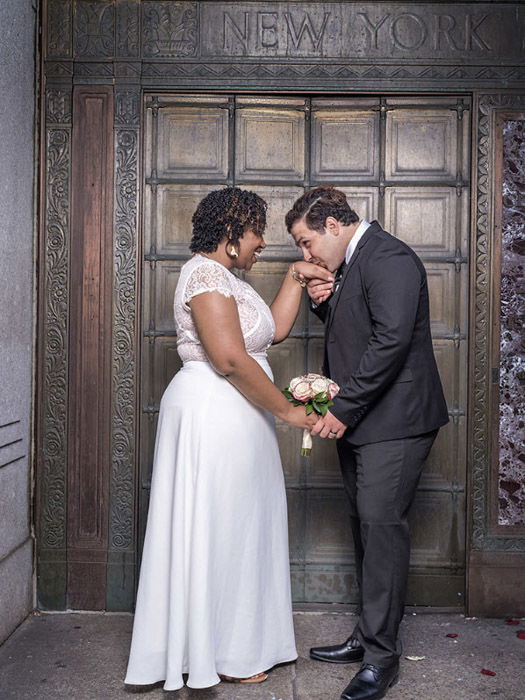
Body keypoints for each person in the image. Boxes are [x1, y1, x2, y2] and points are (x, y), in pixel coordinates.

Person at [125, 186, 332, 691]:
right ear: (232, 232)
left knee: (242, 526)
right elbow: (230, 359)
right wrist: (289, 411)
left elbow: (272, 332)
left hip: (242, 417)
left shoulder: (229, 279)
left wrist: (293, 277)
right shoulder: (202, 274)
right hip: (213, 412)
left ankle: (242, 641)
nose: (263, 242)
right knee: (222, 525)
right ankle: (218, 651)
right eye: (257, 231)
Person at [285, 187, 449, 700]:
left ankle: (381, 659)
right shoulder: (355, 261)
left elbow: (392, 340)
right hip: (366, 422)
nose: (305, 255)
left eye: (307, 242)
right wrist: (326, 302)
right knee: (366, 531)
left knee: (381, 532)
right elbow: (359, 327)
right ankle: (367, 635)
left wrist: (340, 409)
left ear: (334, 225)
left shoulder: (390, 257)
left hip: (395, 422)